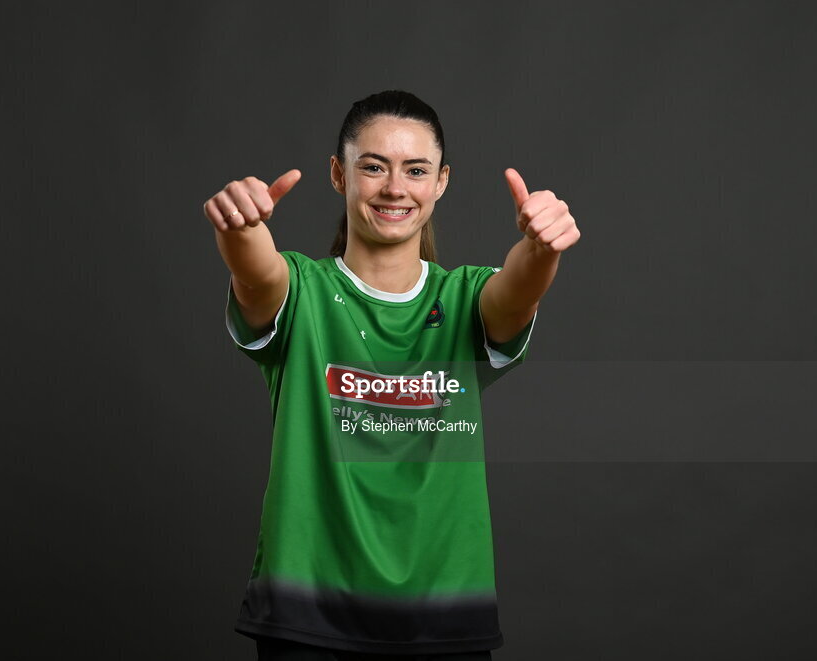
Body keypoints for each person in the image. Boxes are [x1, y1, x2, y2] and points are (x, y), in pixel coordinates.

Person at [203, 90, 580, 660]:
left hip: (446, 617)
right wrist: (238, 224)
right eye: (373, 166)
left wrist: (542, 246)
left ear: (441, 182)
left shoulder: (466, 297)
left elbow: (517, 291)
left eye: (416, 170)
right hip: (307, 616)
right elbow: (255, 270)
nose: (395, 188)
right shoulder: (301, 290)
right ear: (339, 174)